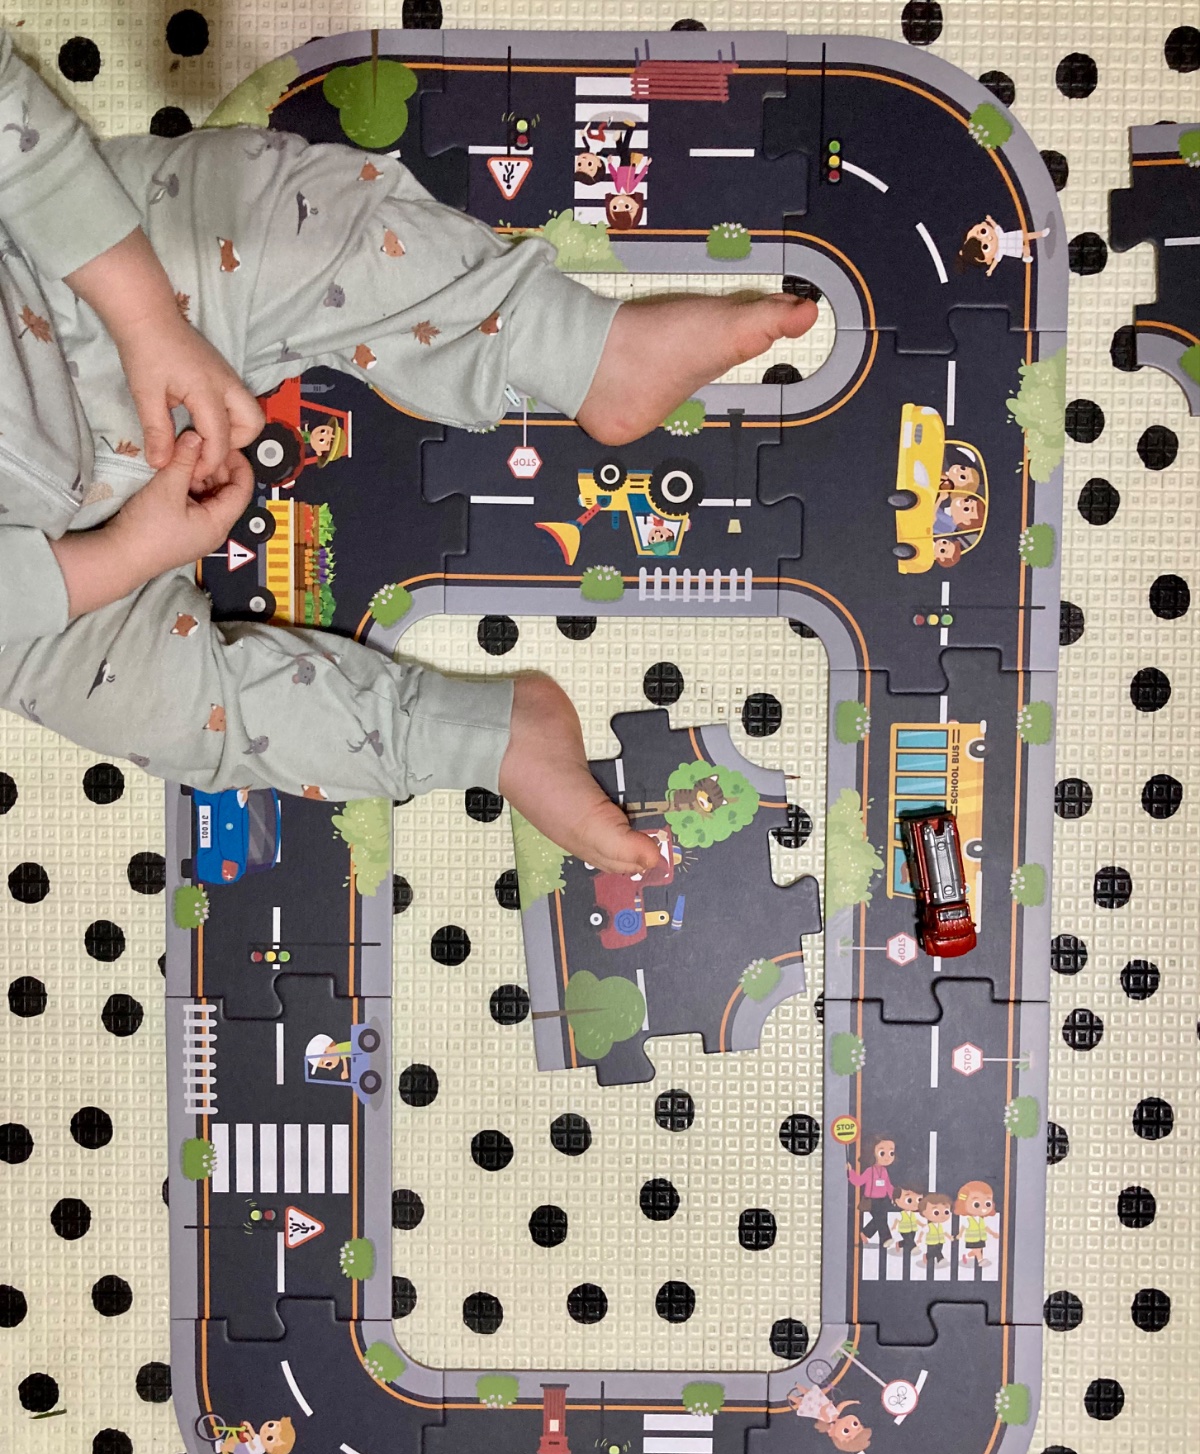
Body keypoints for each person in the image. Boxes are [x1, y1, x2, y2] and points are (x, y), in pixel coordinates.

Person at [0, 28, 817, 878]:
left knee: (268, 221)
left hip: (66, 293)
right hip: (36, 609)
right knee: (175, 714)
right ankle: (485, 739)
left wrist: (141, 313)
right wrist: (120, 556)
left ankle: (578, 348)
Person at [956, 214, 1049, 277]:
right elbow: (996, 261)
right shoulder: (999, 252)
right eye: (985, 246)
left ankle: (1041, 234)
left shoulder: (998, 234)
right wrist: (991, 270)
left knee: (1027, 236)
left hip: (1011, 237)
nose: (988, 238)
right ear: (988, 260)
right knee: (1025, 249)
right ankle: (1026, 256)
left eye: (983, 232)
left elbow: (995, 226)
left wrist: (990, 220)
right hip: (1012, 249)